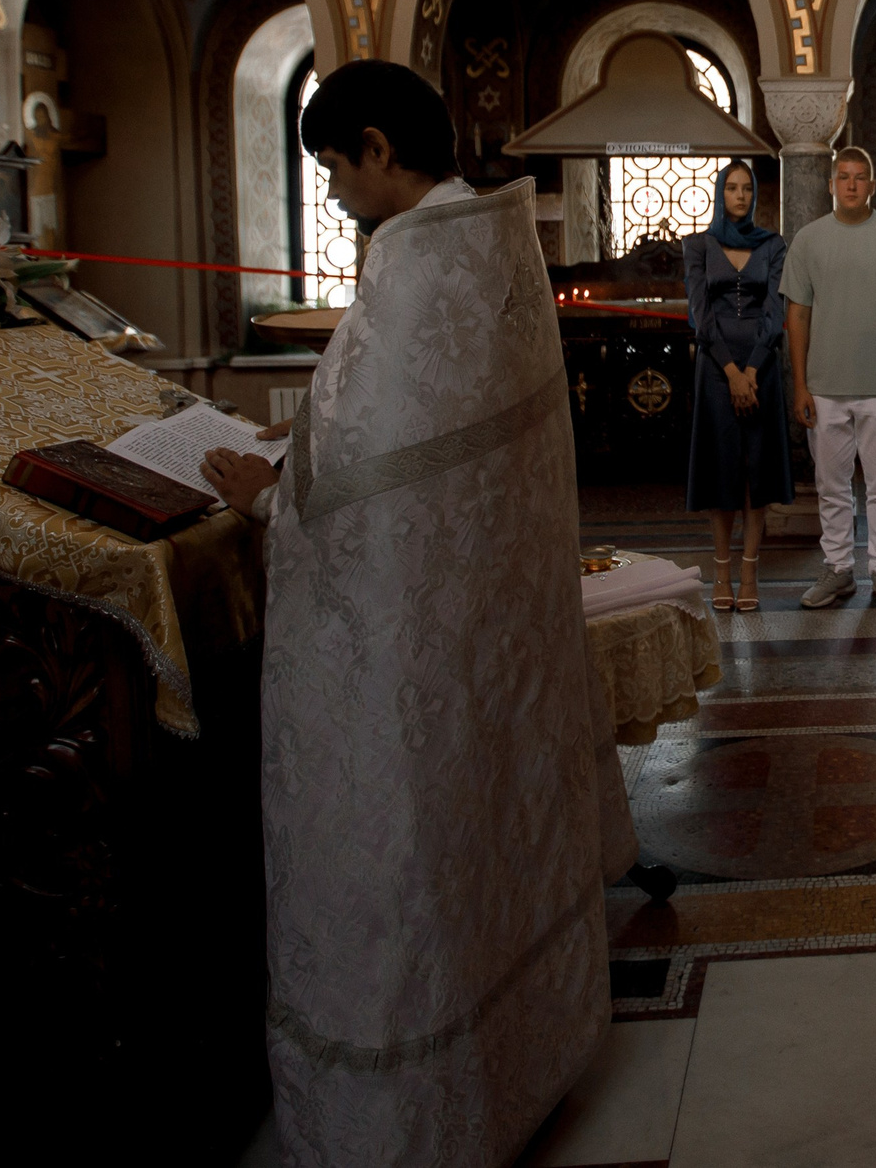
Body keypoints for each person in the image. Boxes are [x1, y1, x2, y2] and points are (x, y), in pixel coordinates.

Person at [199, 59, 627, 1168]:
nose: (336, 193)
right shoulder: (498, 242)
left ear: (380, 148)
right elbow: (402, 450)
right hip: (492, 618)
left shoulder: (412, 261)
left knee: (416, 841)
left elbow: (346, 493)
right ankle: (527, 1052)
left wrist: (270, 495)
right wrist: (313, 466)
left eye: (337, 169)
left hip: (415, 644)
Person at [785, 145, 876, 612]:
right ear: (831, 184)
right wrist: (800, 384)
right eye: (842, 177)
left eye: (859, 177)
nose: (850, 184)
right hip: (825, 385)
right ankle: (838, 568)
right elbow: (798, 314)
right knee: (832, 484)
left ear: (871, 184)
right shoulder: (808, 240)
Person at [685, 159, 793, 610]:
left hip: (762, 369)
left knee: (757, 472)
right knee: (721, 469)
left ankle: (750, 573)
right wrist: (731, 373)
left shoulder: (773, 245)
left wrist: (751, 371)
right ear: (719, 193)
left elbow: (776, 311)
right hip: (715, 370)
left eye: (747, 188)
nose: (740, 196)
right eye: (731, 188)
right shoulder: (697, 245)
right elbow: (699, 313)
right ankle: (721, 573)